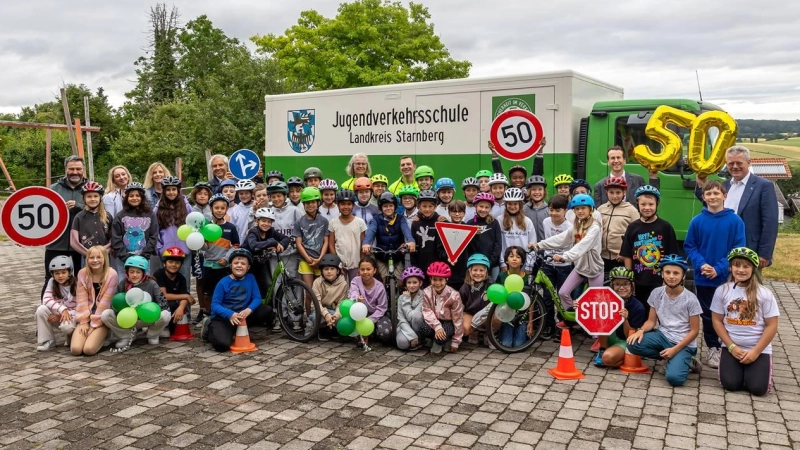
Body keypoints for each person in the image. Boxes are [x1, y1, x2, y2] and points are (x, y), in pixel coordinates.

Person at [684, 180, 746, 369]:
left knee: (731, 314)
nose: (712, 197)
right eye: (708, 194)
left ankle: (731, 346)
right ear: (703, 197)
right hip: (704, 278)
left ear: (724, 196)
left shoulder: (735, 221)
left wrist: (719, 268)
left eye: (716, 193)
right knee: (710, 316)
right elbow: (690, 246)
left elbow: (738, 248)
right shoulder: (697, 221)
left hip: (727, 278)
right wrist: (702, 265)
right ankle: (713, 348)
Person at [696, 145, 779, 268]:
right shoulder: (725, 186)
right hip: (722, 250)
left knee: (748, 286)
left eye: (739, 163)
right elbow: (712, 205)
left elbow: (770, 222)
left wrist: (765, 254)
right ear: (726, 164)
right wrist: (701, 184)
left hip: (749, 250)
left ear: (748, 163)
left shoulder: (763, 186)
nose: (735, 167)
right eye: (731, 163)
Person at [711, 248, 779, 396]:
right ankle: (739, 369)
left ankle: (754, 370)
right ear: (730, 267)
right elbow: (716, 320)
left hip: (758, 348)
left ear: (753, 268)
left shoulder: (765, 294)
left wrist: (755, 352)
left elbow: (772, 325)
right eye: (737, 265)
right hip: (732, 346)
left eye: (746, 266)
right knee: (730, 384)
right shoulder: (722, 291)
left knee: (758, 389)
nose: (741, 270)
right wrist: (731, 346)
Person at [627, 255, 703, 387]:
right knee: (633, 344)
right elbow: (651, 321)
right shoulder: (656, 293)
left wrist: (674, 350)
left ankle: (688, 360)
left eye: (676, 273)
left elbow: (695, 331)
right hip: (663, 336)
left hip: (682, 343)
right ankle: (670, 358)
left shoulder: (691, 299)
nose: (671, 276)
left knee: (675, 379)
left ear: (683, 276)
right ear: (662, 274)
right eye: (667, 272)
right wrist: (640, 331)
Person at [532, 194, 603, 325]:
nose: (580, 211)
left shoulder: (595, 228)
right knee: (563, 293)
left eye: (583, 208)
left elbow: (583, 246)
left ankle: (597, 334)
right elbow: (562, 238)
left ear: (590, 210)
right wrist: (539, 244)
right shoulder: (577, 225)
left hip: (594, 269)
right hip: (580, 267)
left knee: (595, 301)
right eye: (577, 209)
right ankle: (573, 318)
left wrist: (565, 257)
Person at [620, 186, 680, 317]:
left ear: (657, 204)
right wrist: (629, 279)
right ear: (638, 204)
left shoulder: (665, 227)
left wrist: (667, 279)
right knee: (639, 312)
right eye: (643, 204)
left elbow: (672, 256)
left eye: (651, 204)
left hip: (658, 280)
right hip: (638, 280)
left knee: (657, 313)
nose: (647, 207)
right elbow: (627, 255)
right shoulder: (633, 227)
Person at [203, 249, 275, 352]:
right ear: (231, 265)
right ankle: (208, 326)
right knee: (222, 345)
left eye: (243, 263)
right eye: (236, 263)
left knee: (266, 310)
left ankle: (238, 329)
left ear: (248, 267)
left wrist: (249, 310)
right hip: (225, 317)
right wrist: (230, 314)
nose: (239, 265)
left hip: (242, 315)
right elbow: (215, 305)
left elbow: (257, 298)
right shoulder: (223, 282)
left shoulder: (250, 278)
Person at [102, 255, 172, 351]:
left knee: (166, 314)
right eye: (131, 272)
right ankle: (126, 336)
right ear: (127, 272)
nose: (135, 275)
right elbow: (115, 304)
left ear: (143, 273)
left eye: (138, 272)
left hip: (147, 318)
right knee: (106, 314)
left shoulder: (152, 283)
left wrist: (152, 310)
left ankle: (152, 334)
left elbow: (163, 303)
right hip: (129, 319)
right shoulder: (123, 283)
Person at [43, 155, 86, 297]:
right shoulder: (54, 189)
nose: (75, 172)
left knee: (81, 279)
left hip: (81, 244)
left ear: (83, 170)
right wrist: (26, 238)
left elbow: (99, 210)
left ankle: (78, 311)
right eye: (71, 169)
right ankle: (47, 310)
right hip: (56, 244)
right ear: (65, 170)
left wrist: (79, 206)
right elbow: (42, 215)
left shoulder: (90, 188)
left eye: (78, 169)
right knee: (51, 279)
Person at [592, 267, 646, 368]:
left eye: (625, 284)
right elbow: (591, 314)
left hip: (625, 340)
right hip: (610, 336)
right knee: (601, 316)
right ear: (611, 285)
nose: (621, 288)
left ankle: (628, 356)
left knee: (608, 359)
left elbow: (629, 336)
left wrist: (625, 319)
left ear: (632, 286)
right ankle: (602, 349)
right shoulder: (605, 299)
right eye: (617, 284)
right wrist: (580, 305)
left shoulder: (638, 307)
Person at [200, 194, 240, 323]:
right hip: (209, 265)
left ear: (226, 210)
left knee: (225, 291)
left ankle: (224, 314)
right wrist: (201, 243)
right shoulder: (205, 228)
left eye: (222, 208)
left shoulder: (231, 227)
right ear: (211, 209)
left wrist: (227, 259)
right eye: (216, 208)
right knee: (208, 293)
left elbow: (235, 246)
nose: (219, 210)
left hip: (224, 266)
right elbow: (204, 247)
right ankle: (207, 316)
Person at [71, 245, 117, 356]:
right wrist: (84, 322)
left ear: (104, 258)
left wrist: (94, 324)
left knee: (88, 350)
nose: (95, 260)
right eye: (91, 257)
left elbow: (106, 303)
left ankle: (106, 334)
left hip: (103, 317)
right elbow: (81, 300)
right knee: (76, 350)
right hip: (87, 316)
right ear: (87, 259)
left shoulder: (112, 274)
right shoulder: (82, 273)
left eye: (98, 257)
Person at [539, 194, 573, 339]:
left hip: (564, 265)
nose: (553, 213)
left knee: (561, 296)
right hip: (548, 263)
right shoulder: (546, 222)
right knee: (547, 296)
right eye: (551, 210)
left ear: (565, 210)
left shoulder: (569, 226)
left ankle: (563, 325)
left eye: (557, 210)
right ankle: (548, 325)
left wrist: (563, 257)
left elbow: (570, 246)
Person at [362, 193, 416, 280]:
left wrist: (411, 241)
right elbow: (371, 231)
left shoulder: (400, 218)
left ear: (395, 206)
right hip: (381, 256)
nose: (388, 208)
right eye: (385, 206)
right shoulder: (376, 219)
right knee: (383, 280)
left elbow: (406, 230)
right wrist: (366, 243)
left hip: (398, 256)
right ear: (381, 208)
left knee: (400, 281)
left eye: (391, 205)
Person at [110, 182, 158, 274]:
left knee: (143, 285)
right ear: (126, 197)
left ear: (142, 197)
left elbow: (153, 236)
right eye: (131, 196)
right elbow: (116, 238)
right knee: (124, 285)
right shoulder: (120, 216)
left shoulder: (150, 215)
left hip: (143, 259)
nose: (134, 198)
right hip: (123, 260)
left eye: (137, 195)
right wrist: (125, 257)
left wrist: (145, 255)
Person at [243, 207, 290, 298]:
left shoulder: (271, 231)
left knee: (268, 284)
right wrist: (273, 242)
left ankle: (266, 307)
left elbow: (286, 238)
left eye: (269, 222)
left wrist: (282, 245)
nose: (266, 224)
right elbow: (254, 245)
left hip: (261, 264)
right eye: (263, 221)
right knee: (249, 286)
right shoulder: (253, 232)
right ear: (257, 221)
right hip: (248, 264)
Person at [597, 176, 639, 274]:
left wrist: (627, 254)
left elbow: (636, 236)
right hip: (602, 257)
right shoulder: (601, 209)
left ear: (624, 193)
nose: (615, 196)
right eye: (611, 192)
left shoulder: (631, 210)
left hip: (620, 258)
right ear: (606, 192)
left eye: (618, 192)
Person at [153, 176, 193, 282]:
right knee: (166, 283)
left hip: (184, 250)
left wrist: (191, 245)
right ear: (164, 191)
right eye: (168, 190)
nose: (171, 192)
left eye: (174, 189)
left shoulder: (187, 207)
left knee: (184, 282)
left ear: (178, 190)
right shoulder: (158, 209)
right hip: (166, 251)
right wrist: (159, 248)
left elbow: (194, 226)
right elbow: (154, 229)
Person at [36, 256, 78, 351]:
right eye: (57, 273)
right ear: (52, 274)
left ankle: (71, 336)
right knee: (41, 309)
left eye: (63, 272)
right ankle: (48, 340)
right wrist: (62, 310)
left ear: (69, 272)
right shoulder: (52, 281)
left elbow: (81, 308)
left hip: (73, 317)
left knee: (66, 327)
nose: (60, 276)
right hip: (61, 314)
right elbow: (46, 299)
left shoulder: (77, 284)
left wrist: (65, 314)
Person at [349, 256, 393, 346]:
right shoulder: (355, 281)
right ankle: (366, 334)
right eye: (362, 269)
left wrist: (370, 320)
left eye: (368, 269)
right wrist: (357, 299)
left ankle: (371, 332)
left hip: (377, 315)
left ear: (374, 270)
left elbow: (381, 307)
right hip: (360, 315)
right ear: (359, 271)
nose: (365, 272)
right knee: (353, 334)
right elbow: (353, 294)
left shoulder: (379, 286)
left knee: (385, 333)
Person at [420, 262, 463, 354]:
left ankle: (442, 341)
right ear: (430, 279)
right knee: (423, 328)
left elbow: (457, 318)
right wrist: (437, 327)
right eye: (434, 280)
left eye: (441, 280)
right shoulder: (426, 292)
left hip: (448, 322)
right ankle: (435, 340)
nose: (438, 283)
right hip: (434, 320)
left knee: (442, 336)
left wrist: (456, 341)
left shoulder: (454, 295)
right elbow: (426, 311)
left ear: (446, 279)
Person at [594, 145, 659, 205]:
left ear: (624, 160)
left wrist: (653, 177)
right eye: (613, 158)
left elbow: (652, 198)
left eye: (618, 157)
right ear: (608, 162)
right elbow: (598, 211)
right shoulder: (599, 186)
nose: (616, 161)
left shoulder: (638, 180)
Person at [497, 246, 534, 347]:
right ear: (506, 260)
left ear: (522, 262)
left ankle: (523, 329)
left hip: (522, 317)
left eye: (518, 257)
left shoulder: (527, 278)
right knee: (506, 344)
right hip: (506, 316)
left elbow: (531, 301)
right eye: (511, 256)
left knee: (518, 344)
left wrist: (530, 322)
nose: (514, 259)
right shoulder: (502, 276)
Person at [154, 247, 196, 335]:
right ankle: (159, 326)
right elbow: (164, 296)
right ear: (164, 263)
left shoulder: (181, 278)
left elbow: (183, 294)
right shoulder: (159, 274)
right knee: (172, 304)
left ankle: (169, 326)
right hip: (156, 304)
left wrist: (181, 308)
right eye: (170, 262)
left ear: (181, 265)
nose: (174, 265)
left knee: (176, 306)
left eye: (177, 263)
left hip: (170, 306)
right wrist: (186, 296)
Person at [328, 189, 367, 282]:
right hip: (340, 264)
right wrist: (337, 263)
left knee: (355, 290)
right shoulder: (333, 222)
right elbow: (331, 244)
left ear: (353, 205)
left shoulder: (359, 222)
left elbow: (363, 244)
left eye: (349, 204)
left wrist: (361, 264)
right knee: (341, 290)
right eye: (343, 204)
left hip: (356, 263)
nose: (346, 207)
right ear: (338, 205)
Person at [70, 181, 111, 261]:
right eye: (89, 196)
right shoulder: (79, 217)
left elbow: (113, 238)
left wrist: (103, 251)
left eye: (95, 196)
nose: (92, 199)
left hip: (105, 257)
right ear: (84, 199)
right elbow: (74, 241)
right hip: (87, 257)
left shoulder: (108, 216)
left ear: (100, 198)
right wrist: (90, 253)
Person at [498, 188, 536, 274]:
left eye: (515, 204)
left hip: (523, 263)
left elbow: (532, 244)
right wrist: (502, 263)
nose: (512, 206)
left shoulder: (527, 221)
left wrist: (529, 265)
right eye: (509, 204)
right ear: (505, 205)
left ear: (520, 205)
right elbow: (498, 243)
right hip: (506, 262)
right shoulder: (500, 220)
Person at [312, 254, 349, 340]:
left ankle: (333, 328)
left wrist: (335, 317)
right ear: (322, 271)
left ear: (338, 271)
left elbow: (341, 303)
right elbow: (316, 302)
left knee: (343, 317)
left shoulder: (343, 284)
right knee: (314, 317)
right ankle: (322, 329)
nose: (329, 272)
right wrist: (326, 314)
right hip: (321, 311)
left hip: (335, 311)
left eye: (332, 269)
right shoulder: (317, 282)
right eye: (326, 269)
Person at [467, 192, 502, 282]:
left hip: (492, 264)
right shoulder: (470, 224)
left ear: (490, 208)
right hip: (474, 265)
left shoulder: (494, 223)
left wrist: (490, 262)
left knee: (493, 288)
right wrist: (474, 235)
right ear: (475, 206)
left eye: (487, 207)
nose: (483, 209)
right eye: (481, 206)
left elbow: (498, 244)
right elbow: (468, 247)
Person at [459, 254, 491, 346]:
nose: (478, 273)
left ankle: (488, 334)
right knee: (464, 329)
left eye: (481, 270)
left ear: (486, 272)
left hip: (486, 314)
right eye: (475, 270)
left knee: (497, 318)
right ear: (470, 271)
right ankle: (474, 332)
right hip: (470, 314)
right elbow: (460, 306)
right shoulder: (465, 287)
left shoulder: (491, 285)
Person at [440, 200, 469, 290]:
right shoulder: (443, 228)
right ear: (449, 213)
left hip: (464, 273)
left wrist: (477, 236)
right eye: (454, 211)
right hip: (448, 273)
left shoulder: (468, 228)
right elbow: (439, 250)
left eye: (460, 212)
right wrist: (448, 256)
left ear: (464, 213)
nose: (457, 214)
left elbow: (472, 249)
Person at [411, 190, 441, 276]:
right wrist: (414, 266)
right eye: (424, 206)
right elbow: (414, 245)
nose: (427, 209)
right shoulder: (416, 222)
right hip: (420, 264)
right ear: (419, 207)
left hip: (436, 264)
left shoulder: (440, 222)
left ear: (435, 206)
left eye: (430, 206)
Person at [396, 266, 426, 350]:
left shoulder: (423, 296)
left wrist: (406, 302)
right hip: (405, 327)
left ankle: (420, 339)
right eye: (409, 282)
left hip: (418, 326)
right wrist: (411, 336)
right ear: (405, 284)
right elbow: (402, 319)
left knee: (417, 316)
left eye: (415, 282)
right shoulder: (401, 298)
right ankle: (413, 340)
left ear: (420, 283)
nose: (411, 285)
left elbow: (412, 316)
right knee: (402, 344)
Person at [229, 179, 256, 244]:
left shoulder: (256, 207)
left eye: (246, 193)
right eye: (241, 193)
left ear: (252, 194)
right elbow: (232, 228)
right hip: (239, 243)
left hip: (254, 242)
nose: (244, 196)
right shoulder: (235, 209)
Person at [523, 175, 548, 243]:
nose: (537, 192)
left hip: (545, 247)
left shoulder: (549, 209)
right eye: (533, 189)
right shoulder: (524, 209)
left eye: (540, 189)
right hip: (528, 247)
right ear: (529, 191)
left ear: (544, 191)